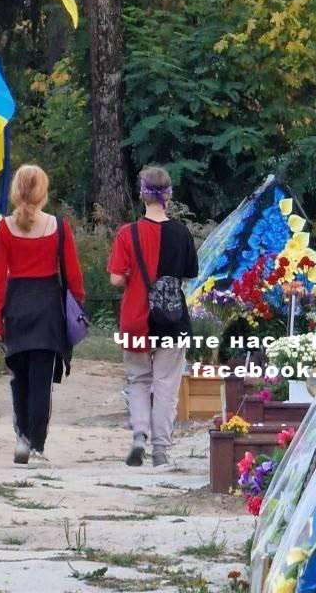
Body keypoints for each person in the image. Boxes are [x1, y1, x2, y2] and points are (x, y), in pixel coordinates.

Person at [0, 164, 85, 465]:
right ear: (43, 192)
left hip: (16, 307)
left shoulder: (4, 228)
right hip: (48, 309)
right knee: (41, 382)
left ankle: (22, 437)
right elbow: (74, 276)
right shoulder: (59, 227)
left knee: (19, 378)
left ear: (16, 191)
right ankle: (37, 446)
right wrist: (78, 307)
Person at [108, 166, 198, 467]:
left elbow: (116, 279)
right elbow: (189, 274)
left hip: (136, 318)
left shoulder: (127, 233)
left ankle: (139, 435)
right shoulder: (182, 233)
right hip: (172, 319)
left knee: (138, 379)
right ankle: (161, 451)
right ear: (168, 195)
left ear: (142, 195)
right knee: (166, 386)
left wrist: (134, 276)